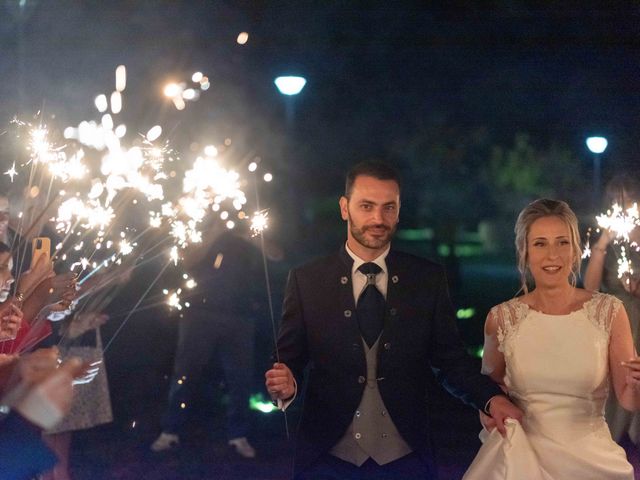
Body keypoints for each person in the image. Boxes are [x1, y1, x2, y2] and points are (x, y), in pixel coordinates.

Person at [265, 161, 522, 479]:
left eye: (389, 207)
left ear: (399, 211)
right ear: (345, 208)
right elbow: (288, 359)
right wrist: (286, 385)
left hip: (407, 459)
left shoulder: (426, 279)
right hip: (326, 459)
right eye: (366, 206)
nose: (378, 218)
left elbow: (451, 360)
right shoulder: (308, 280)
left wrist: (491, 399)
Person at [464, 198, 640, 479]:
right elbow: (489, 390)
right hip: (521, 459)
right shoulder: (501, 318)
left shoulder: (609, 312)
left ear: (575, 250)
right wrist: (489, 413)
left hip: (592, 462)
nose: (552, 255)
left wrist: (637, 385)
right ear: (524, 252)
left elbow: (629, 400)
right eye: (540, 244)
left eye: (562, 242)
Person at [150, 230, 261, 458]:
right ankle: (171, 430)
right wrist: (215, 227)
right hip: (200, 312)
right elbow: (187, 259)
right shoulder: (205, 223)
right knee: (185, 373)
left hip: (240, 314)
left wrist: (253, 237)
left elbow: (276, 255)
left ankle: (238, 435)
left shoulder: (248, 221)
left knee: (240, 378)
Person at [584, 175, 640, 446]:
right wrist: (603, 242)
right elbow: (590, 288)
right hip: (619, 319)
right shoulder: (607, 240)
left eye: (629, 201)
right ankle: (614, 437)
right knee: (618, 377)